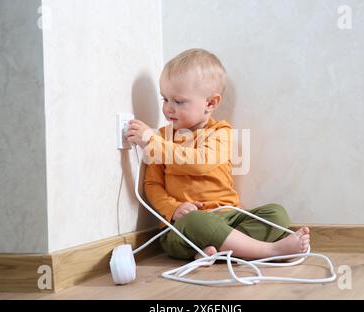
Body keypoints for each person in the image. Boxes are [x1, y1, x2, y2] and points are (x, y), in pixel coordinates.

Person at [126, 48, 310, 262]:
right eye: (165, 99)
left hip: (229, 218)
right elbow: (152, 185)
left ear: (210, 103)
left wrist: (151, 142)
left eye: (178, 101)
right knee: (197, 222)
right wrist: (173, 208)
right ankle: (268, 251)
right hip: (184, 226)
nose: (168, 108)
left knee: (276, 214)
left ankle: (218, 250)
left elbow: (201, 163)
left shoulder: (221, 133)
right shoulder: (161, 138)